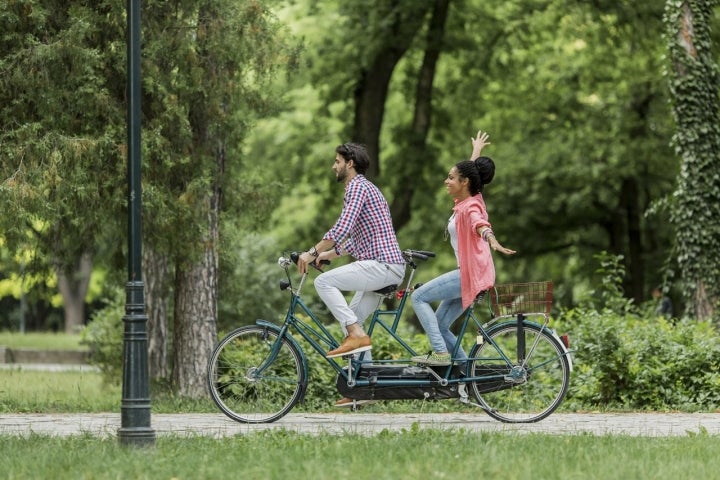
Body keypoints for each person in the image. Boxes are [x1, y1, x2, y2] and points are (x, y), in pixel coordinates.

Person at [297, 142, 405, 406]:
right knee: (354, 318)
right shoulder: (364, 189)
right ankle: (365, 389)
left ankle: (354, 333)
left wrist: (311, 251)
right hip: (386, 266)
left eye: (337, 161)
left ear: (350, 163)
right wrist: (327, 255)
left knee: (324, 282)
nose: (333, 166)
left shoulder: (357, 186)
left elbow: (342, 226)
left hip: (382, 265)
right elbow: (353, 240)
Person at [411, 130, 516, 366]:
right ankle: (468, 376)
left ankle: (440, 353)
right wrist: (476, 151)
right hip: (475, 274)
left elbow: (480, 224)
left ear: (464, 183)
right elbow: (469, 173)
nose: (446, 181)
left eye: (450, 177)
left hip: (470, 275)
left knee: (418, 297)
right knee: (439, 324)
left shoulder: (470, 208)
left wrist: (491, 238)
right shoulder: (473, 196)